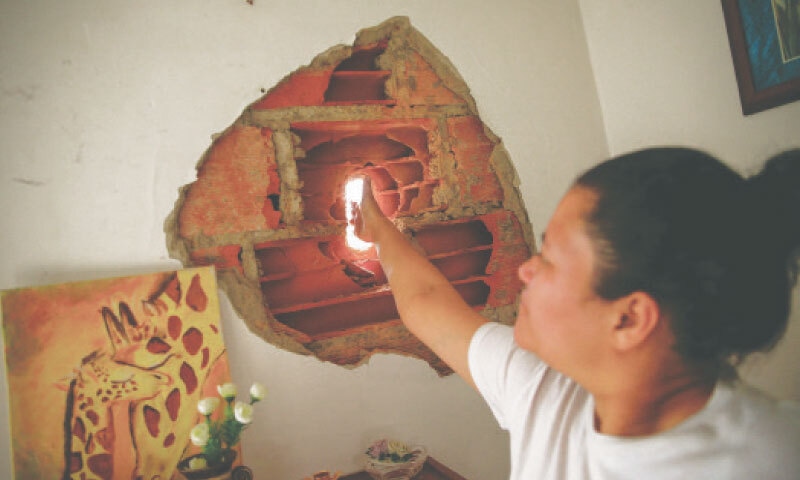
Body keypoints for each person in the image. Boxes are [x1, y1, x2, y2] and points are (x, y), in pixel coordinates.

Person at [350, 146, 800, 479]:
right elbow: (425, 301)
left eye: (548, 257)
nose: (526, 269)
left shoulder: (771, 459)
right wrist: (377, 227)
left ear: (629, 319)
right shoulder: (547, 390)